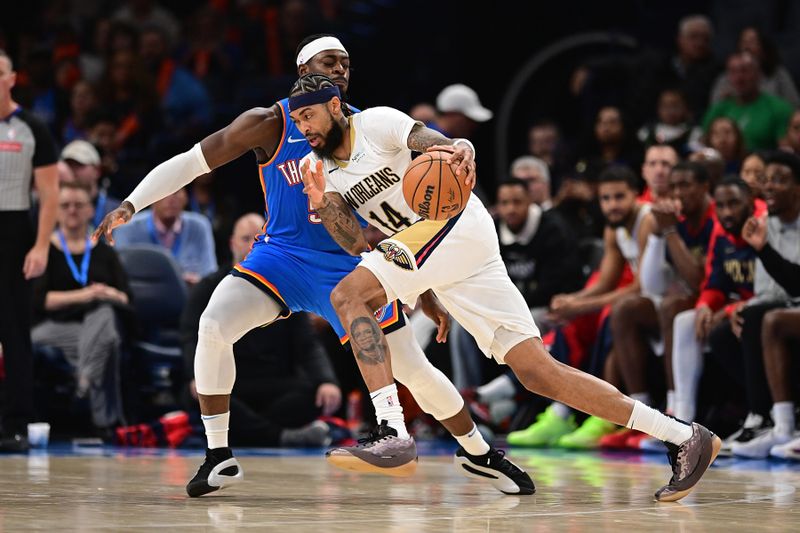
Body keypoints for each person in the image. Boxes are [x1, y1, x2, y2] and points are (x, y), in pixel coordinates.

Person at [95, 35, 528, 498]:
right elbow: (192, 163)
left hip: (351, 264)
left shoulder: (368, 128)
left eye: (345, 63)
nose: (340, 69)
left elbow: (401, 217)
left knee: (415, 370)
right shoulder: (268, 123)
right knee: (214, 325)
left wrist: (423, 288)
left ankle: (478, 451)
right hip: (280, 256)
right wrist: (131, 204)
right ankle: (218, 455)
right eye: (329, 62)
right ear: (303, 70)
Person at [294, 73, 720, 502]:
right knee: (539, 373)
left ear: (334, 107)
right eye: (296, 120)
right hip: (440, 257)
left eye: (308, 115)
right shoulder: (325, 169)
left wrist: (463, 149)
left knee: (347, 295)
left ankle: (392, 429)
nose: (303, 127)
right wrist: (323, 204)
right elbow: (355, 240)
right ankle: (684, 436)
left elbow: (436, 141)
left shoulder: (376, 123)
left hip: (453, 225)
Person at [180, 213, 340, 447]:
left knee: (314, 394)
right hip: (229, 381)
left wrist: (327, 380)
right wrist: (197, 376)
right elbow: (189, 339)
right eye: (245, 238)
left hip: (274, 381)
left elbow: (308, 344)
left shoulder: (286, 287)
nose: (251, 245)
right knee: (196, 394)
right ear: (232, 244)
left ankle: (246, 432)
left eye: (258, 238)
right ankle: (280, 437)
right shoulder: (207, 288)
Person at [611, 162, 715, 451]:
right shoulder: (672, 218)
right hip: (683, 300)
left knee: (673, 307)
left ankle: (675, 414)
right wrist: (657, 232)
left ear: (705, 187)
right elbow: (651, 286)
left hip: (714, 300)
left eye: (687, 186)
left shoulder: (715, 217)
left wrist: (669, 232)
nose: (679, 193)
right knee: (625, 309)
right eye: (675, 187)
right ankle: (640, 414)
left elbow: (698, 281)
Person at [31, 181, 131, 436]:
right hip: (54, 327)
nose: (72, 210)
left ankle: (84, 380)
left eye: (79, 205)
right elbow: (40, 301)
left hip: (98, 320)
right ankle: (105, 420)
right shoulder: (44, 249)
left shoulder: (105, 250)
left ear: (90, 210)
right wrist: (86, 294)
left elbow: (126, 299)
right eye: (65, 205)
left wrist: (107, 292)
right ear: (56, 211)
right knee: (107, 341)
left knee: (105, 318)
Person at [0, 49, 59, 452]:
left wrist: (40, 245)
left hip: (13, 229)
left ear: (12, 78)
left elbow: (49, 192)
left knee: (14, 331)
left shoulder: (31, 126)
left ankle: (16, 424)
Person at [113, 187, 217, 285]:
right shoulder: (127, 228)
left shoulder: (199, 226)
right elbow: (119, 276)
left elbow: (210, 274)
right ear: (151, 198)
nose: (171, 199)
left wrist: (199, 283)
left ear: (185, 197)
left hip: (191, 298)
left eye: (176, 192)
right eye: (164, 192)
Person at [702, 52, 793, 151]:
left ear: (758, 74)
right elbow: (702, 147)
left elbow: (787, 152)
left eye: (744, 71)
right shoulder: (718, 109)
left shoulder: (779, 109)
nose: (739, 78)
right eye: (733, 72)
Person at [60, 139, 121, 228]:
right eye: (68, 165)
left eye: (79, 165)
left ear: (97, 170)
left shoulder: (116, 211)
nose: (72, 171)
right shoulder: (49, 210)